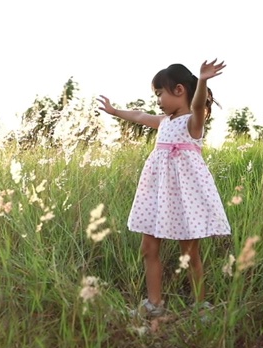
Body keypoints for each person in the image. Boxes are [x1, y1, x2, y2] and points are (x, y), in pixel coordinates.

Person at [97, 59, 232, 317]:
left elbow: (198, 103)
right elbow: (138, 115)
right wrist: (115, 112)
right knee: (148, 247)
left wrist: (202, 81)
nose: (158, 100)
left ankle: (200, 306)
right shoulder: (164, 122)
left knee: (190, 253)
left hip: (185, 197)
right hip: (157, 195)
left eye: (160, 94)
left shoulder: (193, 122)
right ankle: (154, 304)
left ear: (179, 90)